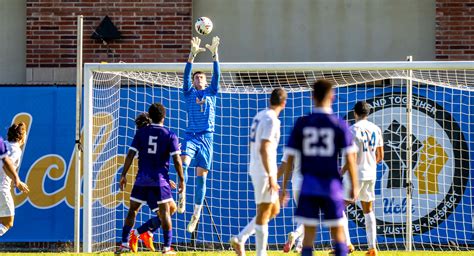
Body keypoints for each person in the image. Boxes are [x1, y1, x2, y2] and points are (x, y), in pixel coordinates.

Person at [281, 80, 358, 256]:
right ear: (332, 96)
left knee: (308, 235)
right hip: (331, 184)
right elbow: (351, 158)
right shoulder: (338, 124)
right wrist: (354, 186)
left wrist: (284, 186)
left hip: (308, 184)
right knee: (338, 232)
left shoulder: (302, 124)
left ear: (312, 97)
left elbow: (290, 158)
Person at [116, 104, 185, 255]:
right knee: (166, 211)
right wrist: (181, 179)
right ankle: (166, 248)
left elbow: (130, 155)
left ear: (150, 116)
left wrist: (123, 174)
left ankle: (125, 243)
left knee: (133, 210)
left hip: (142, 180)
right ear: (164, 117)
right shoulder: (169, 135)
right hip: (159, 181)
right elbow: (177, 160)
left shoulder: (141, 133)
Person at [230, 88, 288, 256]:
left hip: (256, 166)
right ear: (284, 103)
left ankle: (241, 237)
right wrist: (271, 176)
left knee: (274, 209)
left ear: (270, 100)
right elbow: (264, 148)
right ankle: (260, 253)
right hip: (264, 170)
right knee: (263, 212)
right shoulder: (272, 120)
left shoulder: (259, 115)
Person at [179, 36, 220, 233]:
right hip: (191, 136)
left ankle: (196, 215)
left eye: (201, 77)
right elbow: (186, 76)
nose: (198, 79)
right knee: (184, 163)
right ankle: (182, 194)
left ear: (205, 81)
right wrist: (191, 56)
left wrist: (215, 55)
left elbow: (217, 76)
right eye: (196, 77)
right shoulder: (189, 93)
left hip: (207, 138)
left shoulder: (212, 92)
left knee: (202, 179)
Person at [341, 101, 383, 256]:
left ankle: (347, 244)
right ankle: (372, 248)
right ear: (368, 113)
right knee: (368, 210)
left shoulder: (352, 130)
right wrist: (369, 163)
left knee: (338, 207)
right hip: (371, 174)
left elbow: (351, 156)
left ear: (355, 113)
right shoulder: (376, 129)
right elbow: (380, 156)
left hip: (355, 175)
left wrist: (342, 170)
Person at [0, 123, 29, 237]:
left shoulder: (5, 144)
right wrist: (17, 181)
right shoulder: (16, 149)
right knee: (8, 222)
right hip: (2, 189)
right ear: (22, 136)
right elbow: (5, 165)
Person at [278, 151, 304, 253]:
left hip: (296, 184)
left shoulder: (293, 142)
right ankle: (296, 234)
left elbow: (285, 166)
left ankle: (299, 245)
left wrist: (283, 188)